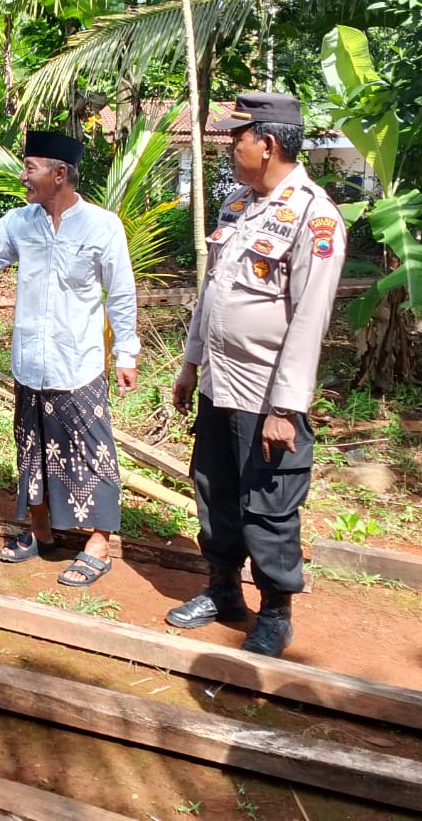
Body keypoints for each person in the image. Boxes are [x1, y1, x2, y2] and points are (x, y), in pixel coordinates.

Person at [166, 92, 345, 658]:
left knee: (268, 506)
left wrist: (286, 409)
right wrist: (191, 365)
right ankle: (222, 591)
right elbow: (212, 295)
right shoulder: (239, 206)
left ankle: (275, 613)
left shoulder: (315, 216)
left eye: (236, 138)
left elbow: (309, 318)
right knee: (214, 490)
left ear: (265, 145)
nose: (228, 146)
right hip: (219, 383)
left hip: (266, 394)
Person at [0, 131, 139, 587]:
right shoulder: (18, 223)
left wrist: (127, 351)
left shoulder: (102, 226)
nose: (23, 176)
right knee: (32, 451)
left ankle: (98, 542)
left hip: (78, 363)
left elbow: (121, 292)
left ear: (60, 173)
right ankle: (40, 531)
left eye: (30, 168)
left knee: (90, 451)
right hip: (31, 363)